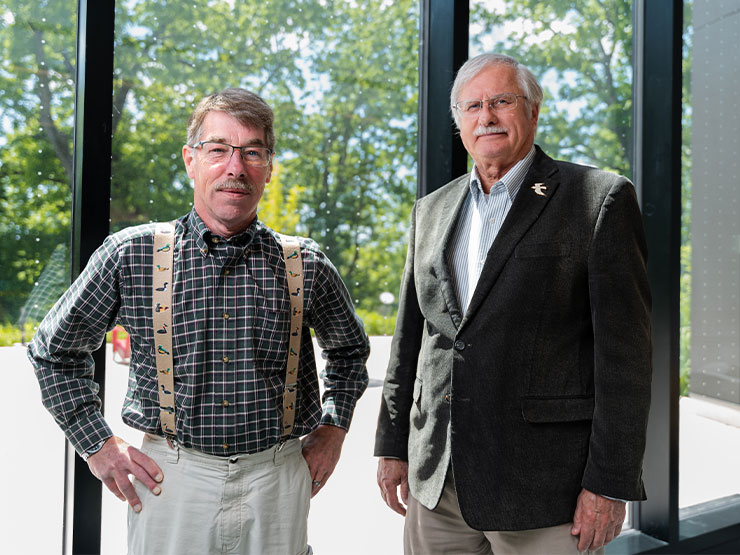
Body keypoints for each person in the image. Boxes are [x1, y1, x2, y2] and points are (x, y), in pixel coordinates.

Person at [29, 88, 370, 555]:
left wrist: (333, 430)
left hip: (277, 480)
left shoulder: (305, 263)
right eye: (218, 150)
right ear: (191, 160)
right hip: (171, 478)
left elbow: (350, 352)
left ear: (268, 168)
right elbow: (53, 351)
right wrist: (98, 445)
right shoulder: (133, 254)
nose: (236, 168)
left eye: (253, 152)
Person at [374, 53, 652, 554]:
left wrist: (610, 483)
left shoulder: (598, 199)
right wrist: (394, 446)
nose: (487, 117)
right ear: (458, 121)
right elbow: (411, 338)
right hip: (439, 483)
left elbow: (625, 360)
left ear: (533, 110)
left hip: (546, 490)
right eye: (472, 106)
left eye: (502, 101)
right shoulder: (430, 210)